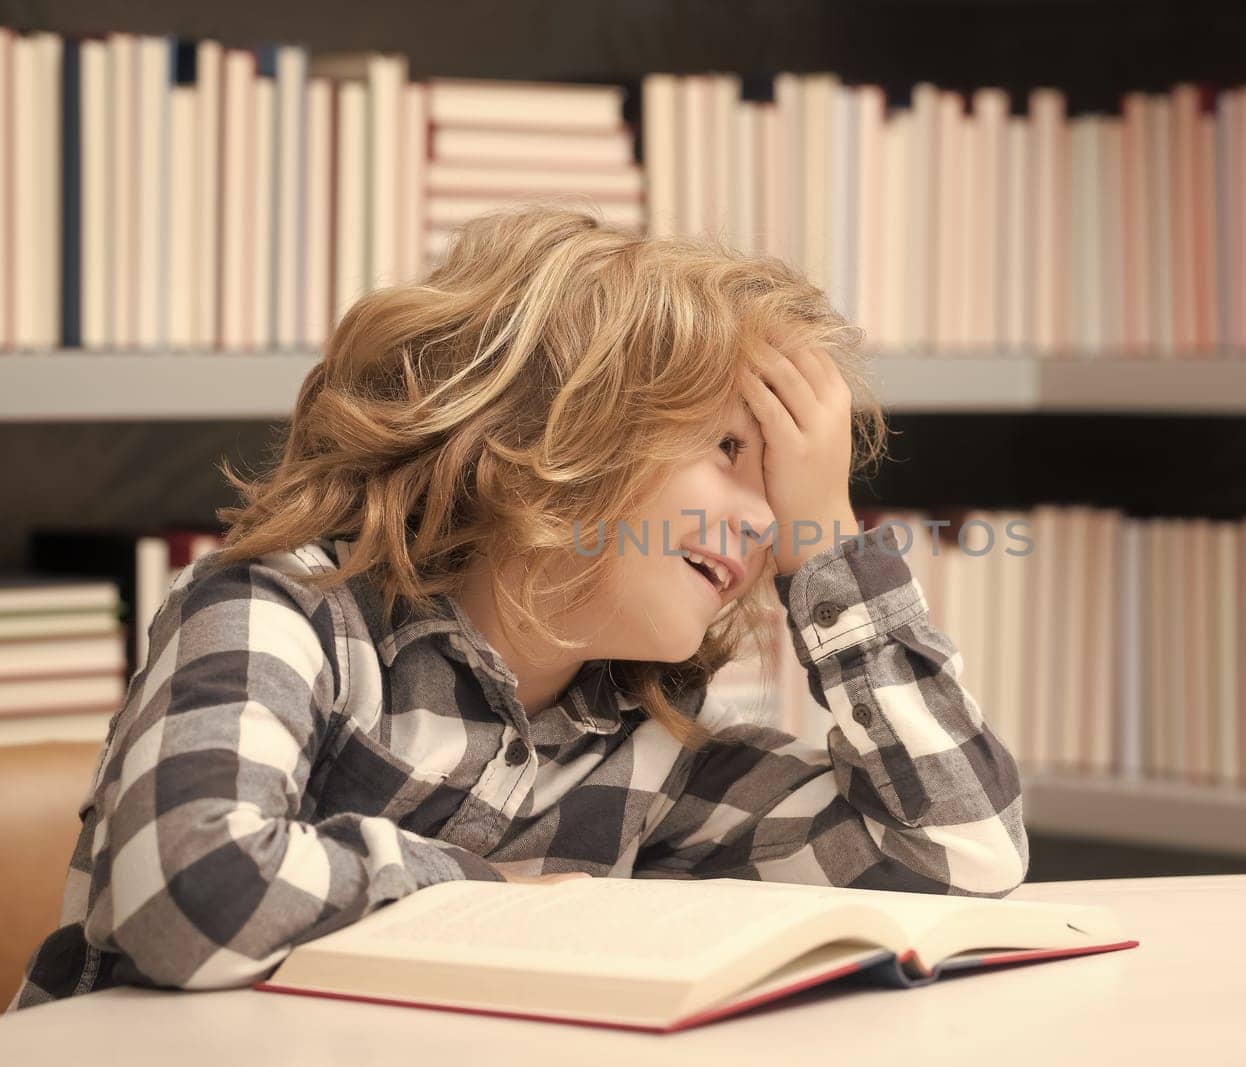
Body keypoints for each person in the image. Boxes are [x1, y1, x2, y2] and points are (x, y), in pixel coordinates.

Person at [5, 202, 1028, 1014]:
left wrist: (829, 544)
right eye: (727, 451)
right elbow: (193, 894)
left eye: (784, 493)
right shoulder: (277, 604)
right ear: (546, 431)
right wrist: (492, 899)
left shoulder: (652, 752)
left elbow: (961, 848)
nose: (765, 521)